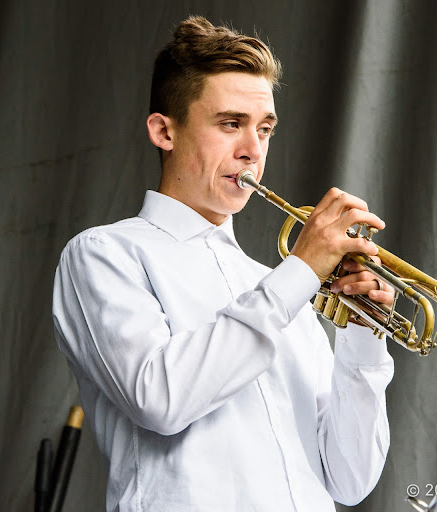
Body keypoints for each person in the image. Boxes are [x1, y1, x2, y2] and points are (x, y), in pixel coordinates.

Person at [52, 15, 395, 512]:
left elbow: (349, 479)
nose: (253, 151)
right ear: (164, 131)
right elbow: (160, 400)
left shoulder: (279, 288)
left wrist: (362, 337)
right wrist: (299, 273)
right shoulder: (104, 254)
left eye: (265, 129)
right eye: (231, 124)